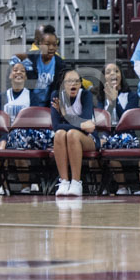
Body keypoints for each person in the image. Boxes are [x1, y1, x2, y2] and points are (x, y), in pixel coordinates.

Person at [50, 68, 97, 197]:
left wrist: (64, 114)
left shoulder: (86, 95)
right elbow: (55, 126)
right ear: (63, 84)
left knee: (71, 133)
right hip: (67, 136)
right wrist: (80, 125)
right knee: (60, 134)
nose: (73, 84)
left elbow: (88, 123)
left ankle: (76, 182)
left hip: (89, 139)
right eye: (69, 81)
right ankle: (64, 181)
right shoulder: (56, 95)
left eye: (77, 81)